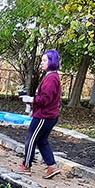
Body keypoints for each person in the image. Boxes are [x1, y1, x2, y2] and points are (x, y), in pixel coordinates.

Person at [15, 49, 62, 178]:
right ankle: (52, 166)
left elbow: (45, 99)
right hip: (47, 115)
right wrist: (33, 107)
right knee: (42, 141)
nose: (42, 63)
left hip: (44, 116)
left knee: (31, 141)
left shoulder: (51, 78)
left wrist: (31, 100)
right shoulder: (51, 76)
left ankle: (26, 166)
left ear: (52, 61)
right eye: (42, 60)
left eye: (44, 60)